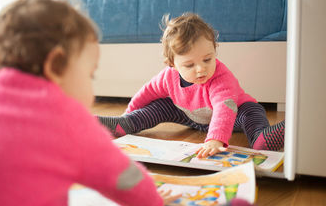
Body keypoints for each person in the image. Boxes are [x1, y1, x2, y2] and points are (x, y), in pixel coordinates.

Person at [0, 0, 261, 206]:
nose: (91, 86)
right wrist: (152, 204)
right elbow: (126, 179)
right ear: (56, 65)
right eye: (90, 74)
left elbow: (226, 107)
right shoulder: (69, 123)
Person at [98, 13, 285, 158]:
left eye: (207, 59)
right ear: (172, 64)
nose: (201, 69)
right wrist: (129, 113)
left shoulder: (221, 77)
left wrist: (215, 139)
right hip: (190, 114)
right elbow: (146, 93)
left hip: (236, 112)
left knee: (250, 115)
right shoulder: (168, 77)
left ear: (214, 50)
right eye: (189, 65)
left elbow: (224, 107)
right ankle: (125, 124)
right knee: (160, 106)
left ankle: (263, 138)